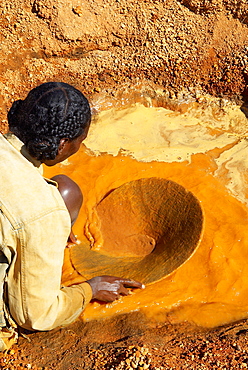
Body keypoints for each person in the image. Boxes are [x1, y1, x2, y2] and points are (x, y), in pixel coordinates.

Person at [0, 82, 143, 350]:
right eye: (81, 140)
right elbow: (36, 315)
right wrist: (90, 289)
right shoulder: (41, 213)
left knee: (66, 189)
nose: (80, 145)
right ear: (64, 144)